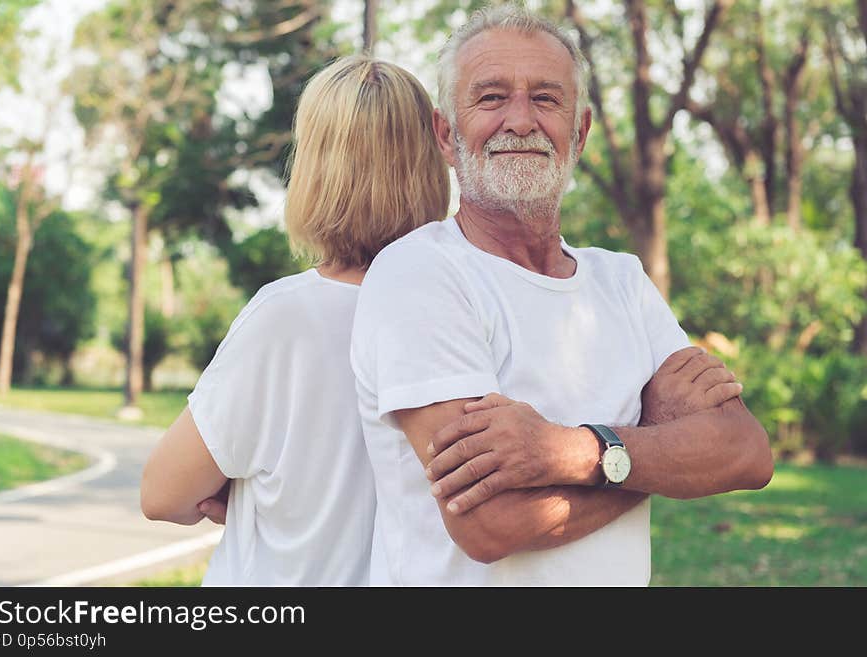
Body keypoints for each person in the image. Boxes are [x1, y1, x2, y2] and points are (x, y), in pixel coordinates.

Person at [350, 5, 774, 586]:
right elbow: (492, 526)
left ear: (580, 131)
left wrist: (571, 451)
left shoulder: (622, 281)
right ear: (446, 133)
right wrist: (655, 440)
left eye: (546, 99)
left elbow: (746, 451)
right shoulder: (419, 274)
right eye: (492, 97)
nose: (520, 121)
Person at [139, 55, 451, 586]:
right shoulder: (456, 312)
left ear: (315, 169)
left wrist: (232, 492)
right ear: (428, 166)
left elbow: (162, 494)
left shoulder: (284, 316)